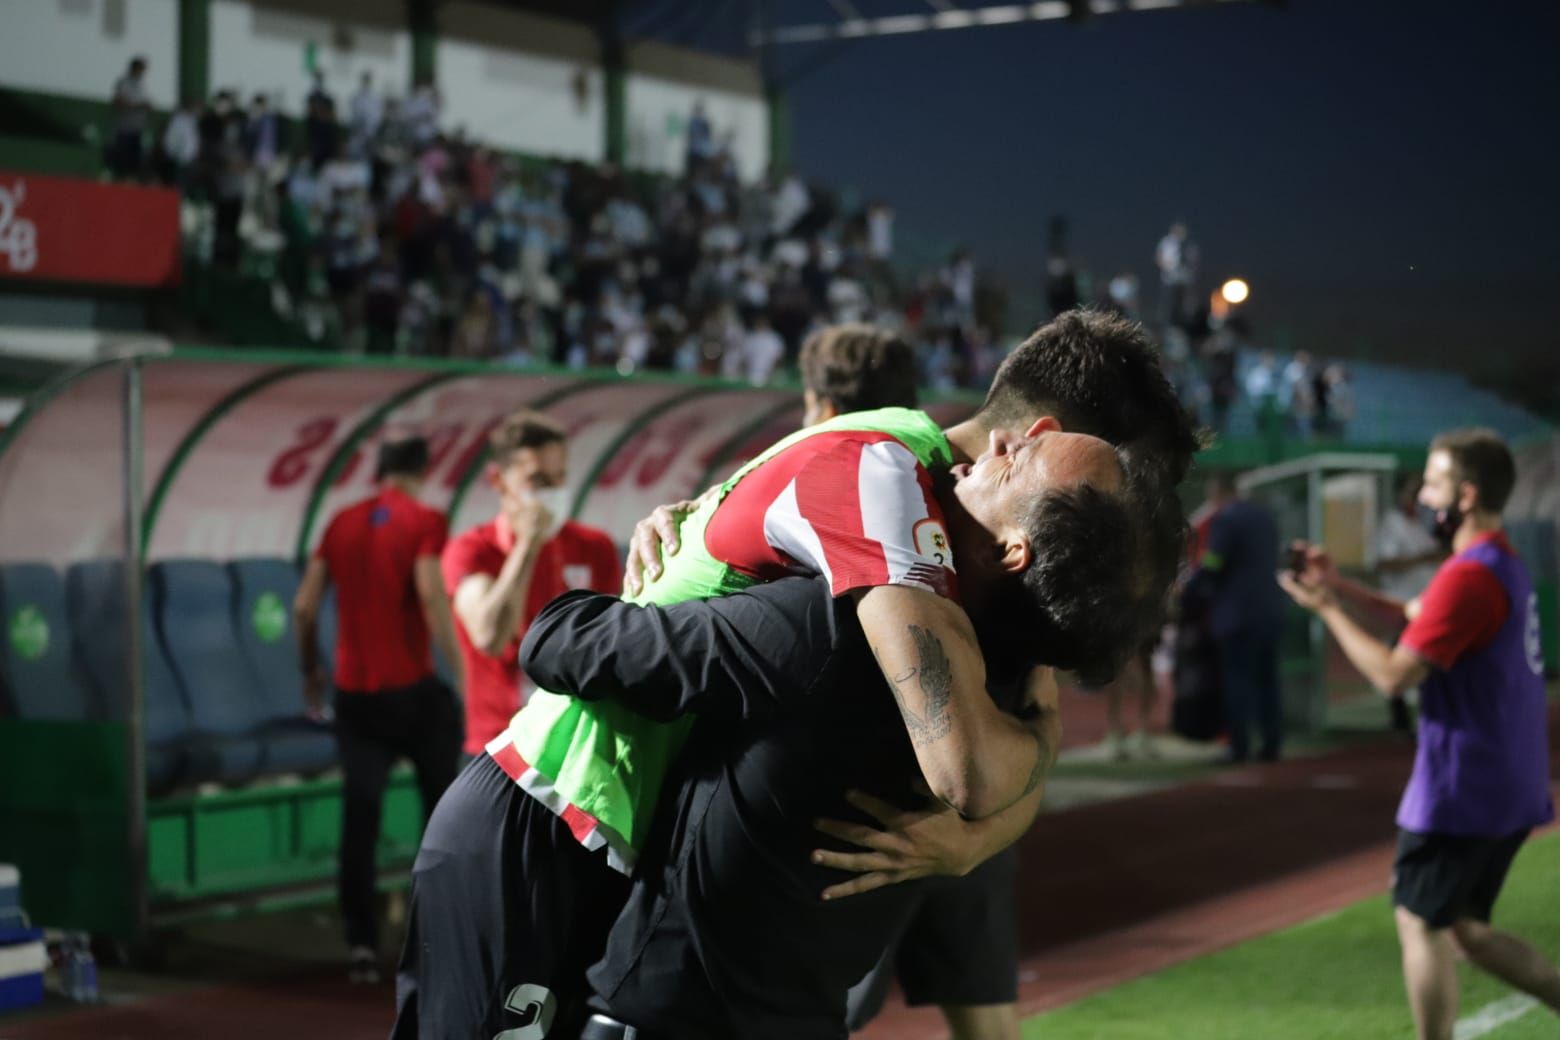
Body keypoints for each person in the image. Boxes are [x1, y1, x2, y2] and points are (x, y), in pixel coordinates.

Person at [393, 311, 1199, 1039]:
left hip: (627, 834)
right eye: (1123, 475)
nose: (1135, 501)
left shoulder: (941, 538)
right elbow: (971, 766)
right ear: (1051, 434)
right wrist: (981, 827)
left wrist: (984, 831)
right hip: (549, 808)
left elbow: (1035, 712)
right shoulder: (883, 484)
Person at [1279, 428, 1559, 1040]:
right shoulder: (1499, 564)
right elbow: (1418, 616)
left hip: (1465, 784)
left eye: (1431, 482)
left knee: (1418, 918)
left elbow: (1392, 675)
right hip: (1511, 779)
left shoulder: (1467, 575)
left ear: (1464, 494)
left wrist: (1325, 611)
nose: (1421, 494)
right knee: (1467, 928)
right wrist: (1341, 587)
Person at [292, 435, 464, 984]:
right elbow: (432, 597)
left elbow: (303, 606)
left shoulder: (340, 522)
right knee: (444, 816)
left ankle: (361, 944)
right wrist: (461, 675)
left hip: (354, 696)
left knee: (359, 818)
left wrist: (310, 670)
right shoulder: (425, 520)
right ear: (421, 469)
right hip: (413, 693)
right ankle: (440, 937)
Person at [442, 411, 621, 758]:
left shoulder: (594, 547)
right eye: (538, 481)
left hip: (574, 743)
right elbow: (489, 637)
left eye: (559, 479)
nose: (552, 493)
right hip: (499, 746)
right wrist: (527, 545)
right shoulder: (472, 550)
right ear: (499, 481)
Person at [1186, 471, 1284, 762]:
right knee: (1268, 681)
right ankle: (1272, 744)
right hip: (1270, 610)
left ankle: (1239, 745)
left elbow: (1214, 562)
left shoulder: (1227, 520)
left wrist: (1189, 589)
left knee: (1237, 681)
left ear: (1217, 494)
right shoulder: (1264, 517)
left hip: (1237, 615)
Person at [1377, 474, 1445, 733]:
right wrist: (1422, 559)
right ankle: (1399, 722)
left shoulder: (1427, 525)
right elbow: (1382, 562)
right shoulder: (1392, 524)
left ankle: (1425, 717)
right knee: (1397, 667)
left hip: (1427, 605)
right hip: (1401, 604)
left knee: (1428, 667)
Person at [109, 57, 151, 180]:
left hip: (138, 127)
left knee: (135, 160)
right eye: (140, 69)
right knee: (122, 158)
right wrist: (138, 106)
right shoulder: (124, 82)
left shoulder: (142, 84)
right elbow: (118, 101)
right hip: (124, 127)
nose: (142, 72)